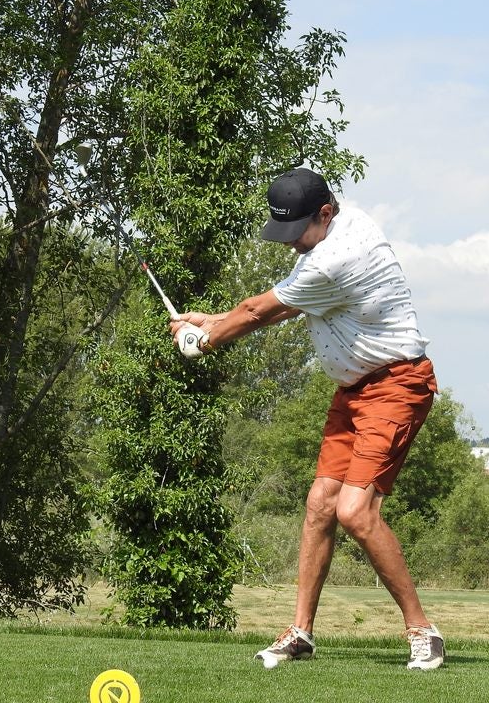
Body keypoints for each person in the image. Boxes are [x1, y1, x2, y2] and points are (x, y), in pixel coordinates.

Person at [169, 167, 444, 670]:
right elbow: (282, 307)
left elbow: (258, 311)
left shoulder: (337, 257)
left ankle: (423, 631)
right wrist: (214, 322)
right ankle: (301, 633)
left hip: (396, 386)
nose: (290, 242)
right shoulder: (339, 232)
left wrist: (203, 342)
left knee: (355, 512)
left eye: (297, 230)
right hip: (355, 390)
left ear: (325, 213)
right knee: (320, 504)